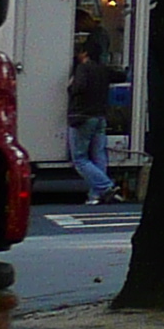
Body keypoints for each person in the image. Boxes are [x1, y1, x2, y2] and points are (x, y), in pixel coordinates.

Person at [67, 35, 124, 205]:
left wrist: (71, 87)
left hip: (82, 117)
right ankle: (96, 195)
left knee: (80, 158)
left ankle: (106, 187)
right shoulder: (103, 69)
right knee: (98, 154)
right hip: (100, 116)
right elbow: (121, 76)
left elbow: (78, 88)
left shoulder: (83, 69)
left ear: (85, 53)